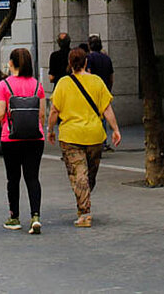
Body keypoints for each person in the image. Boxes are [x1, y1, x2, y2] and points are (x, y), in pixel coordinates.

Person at [47, 48, 121, 228]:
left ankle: (84, 212)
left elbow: (55, 110)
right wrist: (115, 129)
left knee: (79, 175)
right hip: (95, 136)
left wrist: (50, 129)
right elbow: (106, 108)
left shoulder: (63, 83)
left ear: (70, 64)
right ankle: (84, 207)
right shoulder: (96, 82)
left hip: (71, 135)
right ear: (86, 62)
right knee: (89, 175)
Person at [0, 47, 46, 234]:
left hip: (11, 138)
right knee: (33, 178)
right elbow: (41, 114)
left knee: (13, 178)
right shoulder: (37, 85)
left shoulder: (4, 85)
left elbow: (0, 112)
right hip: (35, 137)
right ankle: (35, 215)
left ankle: (14, 216)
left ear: (11, 63)